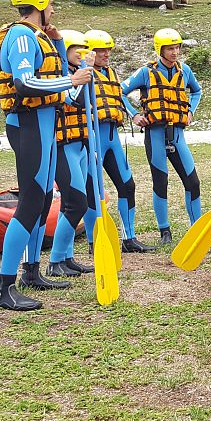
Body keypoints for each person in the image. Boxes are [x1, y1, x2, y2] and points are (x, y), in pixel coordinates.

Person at [0, 0, 92, 310]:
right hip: (29, 125)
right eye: (51, 1)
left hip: (45, 126)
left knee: (43, 198)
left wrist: (59, 44)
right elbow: (24, 83)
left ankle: (32, 272)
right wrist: (72, 78)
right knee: (31, 203)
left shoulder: (40, 36)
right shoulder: (20, 34)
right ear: (40, 2)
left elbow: (59, 81)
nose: (54, 6)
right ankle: (4, 288)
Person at [122, 28, 204, 248]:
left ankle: (197, 228)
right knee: (161, 182)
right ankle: (164, 230)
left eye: (177, 47)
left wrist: (191, 112)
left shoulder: (184, 70)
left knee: (192, 182)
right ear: (160, 49)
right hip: (155, 134)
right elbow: (120, 92)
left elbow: (196, 91)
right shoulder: (145, 73)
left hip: (177, 135)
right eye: (170, 48)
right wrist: (135, 115)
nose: (175, 52)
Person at [84, 29, 144, 253]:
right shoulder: (83, 73)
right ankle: (94, 242)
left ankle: (129, 238)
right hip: (94, 137)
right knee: (93, 190)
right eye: (101, 50)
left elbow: (118, 99)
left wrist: (134, 114)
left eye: (108, 49)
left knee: (127, 185)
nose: (107, 53)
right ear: (90, 52)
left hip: (112, 137)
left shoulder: (111, 73)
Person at [45, 29, 95, 279]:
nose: (81, 53)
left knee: (71, 204)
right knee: (77, 204)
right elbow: (72, 102)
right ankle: (55, 261)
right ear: (64, 52)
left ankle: (66, 258)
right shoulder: (61, 79)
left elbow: (89, 106)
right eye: (77, 48)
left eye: (84, 48)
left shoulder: (80, 76)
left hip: (81, 146)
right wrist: (80, 77)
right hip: (64, 148)